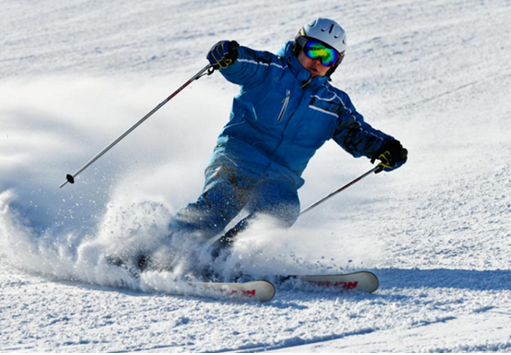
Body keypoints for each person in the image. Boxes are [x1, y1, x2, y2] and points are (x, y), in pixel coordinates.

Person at [163, 17, 407, 267]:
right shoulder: (270, 70)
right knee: (217, 207)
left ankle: (222, 259)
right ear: (299, 46)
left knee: (282, 210)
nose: (318, 62)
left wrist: (385, 148)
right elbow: (243, 64)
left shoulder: (333, 104)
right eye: (314, 51)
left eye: (328, 58)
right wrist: (230, 55)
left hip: (279, 178)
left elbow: (357, 133)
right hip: (237, 160)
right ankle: (155, 249)